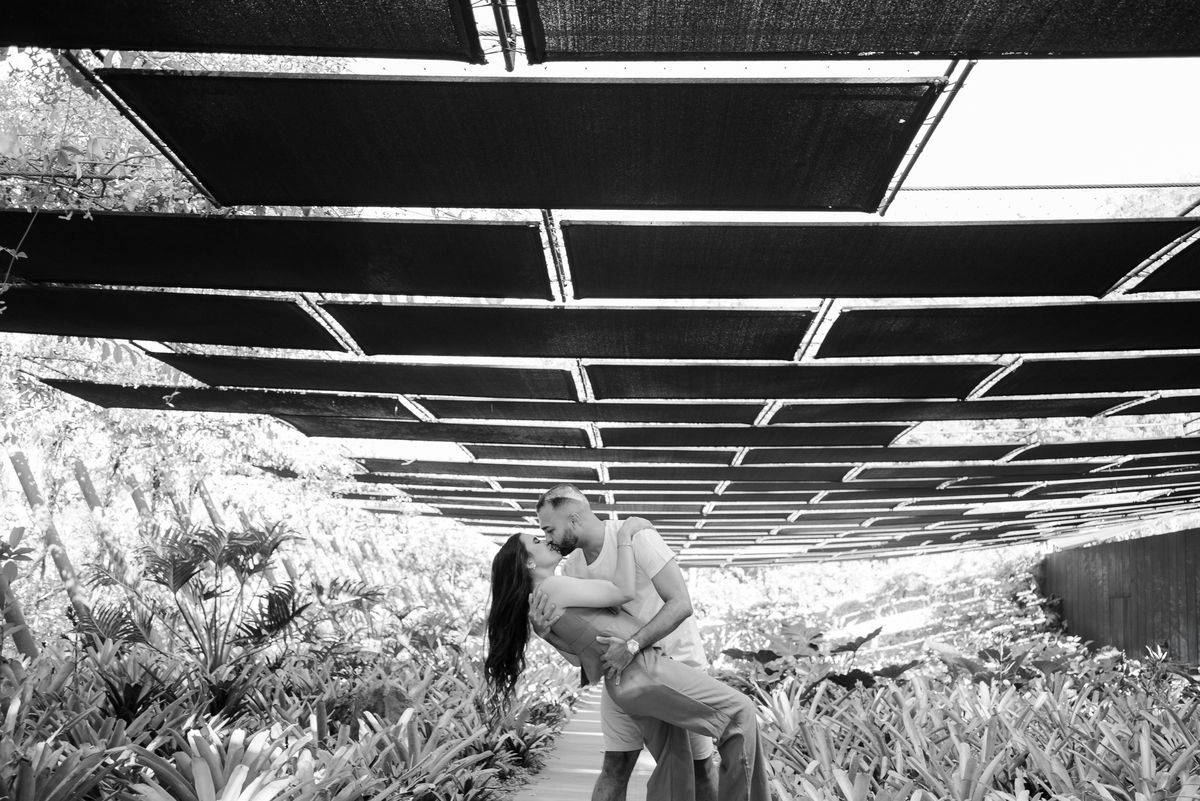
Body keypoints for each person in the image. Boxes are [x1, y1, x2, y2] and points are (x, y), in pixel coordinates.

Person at [485, 521, 771, 801]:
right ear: (529, 562)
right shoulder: (554, 586)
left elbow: (580, 658)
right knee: (740, 711)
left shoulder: (541, 599)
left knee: (675, 759)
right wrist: (625, 534)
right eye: (537, 540)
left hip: (627, 683)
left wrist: (548, 636)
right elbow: (623, 590)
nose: (546, 539)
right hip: (646, 672)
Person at [531, 485, 718, 801]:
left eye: (549, 529)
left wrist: (631, 646)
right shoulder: (573, 566)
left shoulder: (638, 536)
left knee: (699, 767)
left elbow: (680, 604)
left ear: (573, 519)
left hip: (676, 666)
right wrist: (547, 634)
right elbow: (587, 644)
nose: (548, 538)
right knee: (615, 766)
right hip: (622, 675)